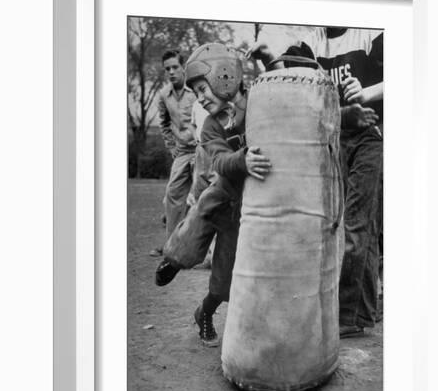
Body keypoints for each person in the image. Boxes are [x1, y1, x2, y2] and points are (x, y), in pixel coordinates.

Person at [248, 26, 383, 338]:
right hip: (334, 138)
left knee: (356, 225)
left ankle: (347, 316)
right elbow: (294, 86)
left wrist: (367, 92)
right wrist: (269, 57)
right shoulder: (311, 43)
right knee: (343, 225)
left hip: (370, 135)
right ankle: (361, 311)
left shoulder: (370, 33)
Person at [156, 43, 272, 346]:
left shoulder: (257, 105)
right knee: (191, 234)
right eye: (195, 92)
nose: (201, 98)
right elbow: (220, 161)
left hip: (243, 210)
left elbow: (284, 98)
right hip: (220, 194)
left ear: (225, 76)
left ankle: (203, 313)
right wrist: (242, 160)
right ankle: (173, 259)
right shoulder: (209, 126)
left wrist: (270, 60)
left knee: (223, 283)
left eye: (203, 88)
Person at [149, 50, 197, 257]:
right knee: (172, 195)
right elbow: (164, 123)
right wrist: (172, 147)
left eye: (175, 67)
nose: (171, 72)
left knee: (202, 196)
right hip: (182, 153)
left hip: (202, 150)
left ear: (183, 67)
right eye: (167, 68)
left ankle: (204, 249)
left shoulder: (196, 89)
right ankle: (172, 247)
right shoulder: (163, 95)